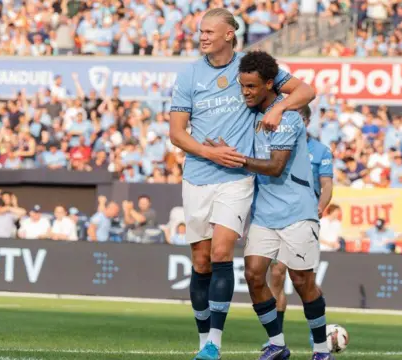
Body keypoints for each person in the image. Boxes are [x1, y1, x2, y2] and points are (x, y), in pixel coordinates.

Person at [168, 8, 315, 360]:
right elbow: (176, 133)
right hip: (198, 176)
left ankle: (214, 344)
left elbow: (306, 91)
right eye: (201, 31)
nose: (202, 37)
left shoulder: (250, 68)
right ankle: (204, 338)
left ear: (229, 35)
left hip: (236, 178)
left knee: (221, 254)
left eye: (208, 32)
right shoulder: (189, 75)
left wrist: (278, 109)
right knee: (201, 261)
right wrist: (208, 152)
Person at [204, 51, 331, 360]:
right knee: (254, 274)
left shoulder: (287, 117)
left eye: (251, 87)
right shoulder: (251, 115)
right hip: (264, 213)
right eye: (242, 86)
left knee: (303, 282)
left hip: (298, 212)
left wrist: (233, 158)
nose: (245, 92)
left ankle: (322, 349)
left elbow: (275, 167)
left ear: (269, 84)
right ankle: (277, 343)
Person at [265, 104, 334, 346]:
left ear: (305, 121)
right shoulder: (275, 145)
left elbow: (326, 185)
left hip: (305, 217)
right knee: (276, 273)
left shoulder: (320, 151)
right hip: (278, 217)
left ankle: (317, 330)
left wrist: (320, 206)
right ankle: (276, 338)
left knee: (304, 281)